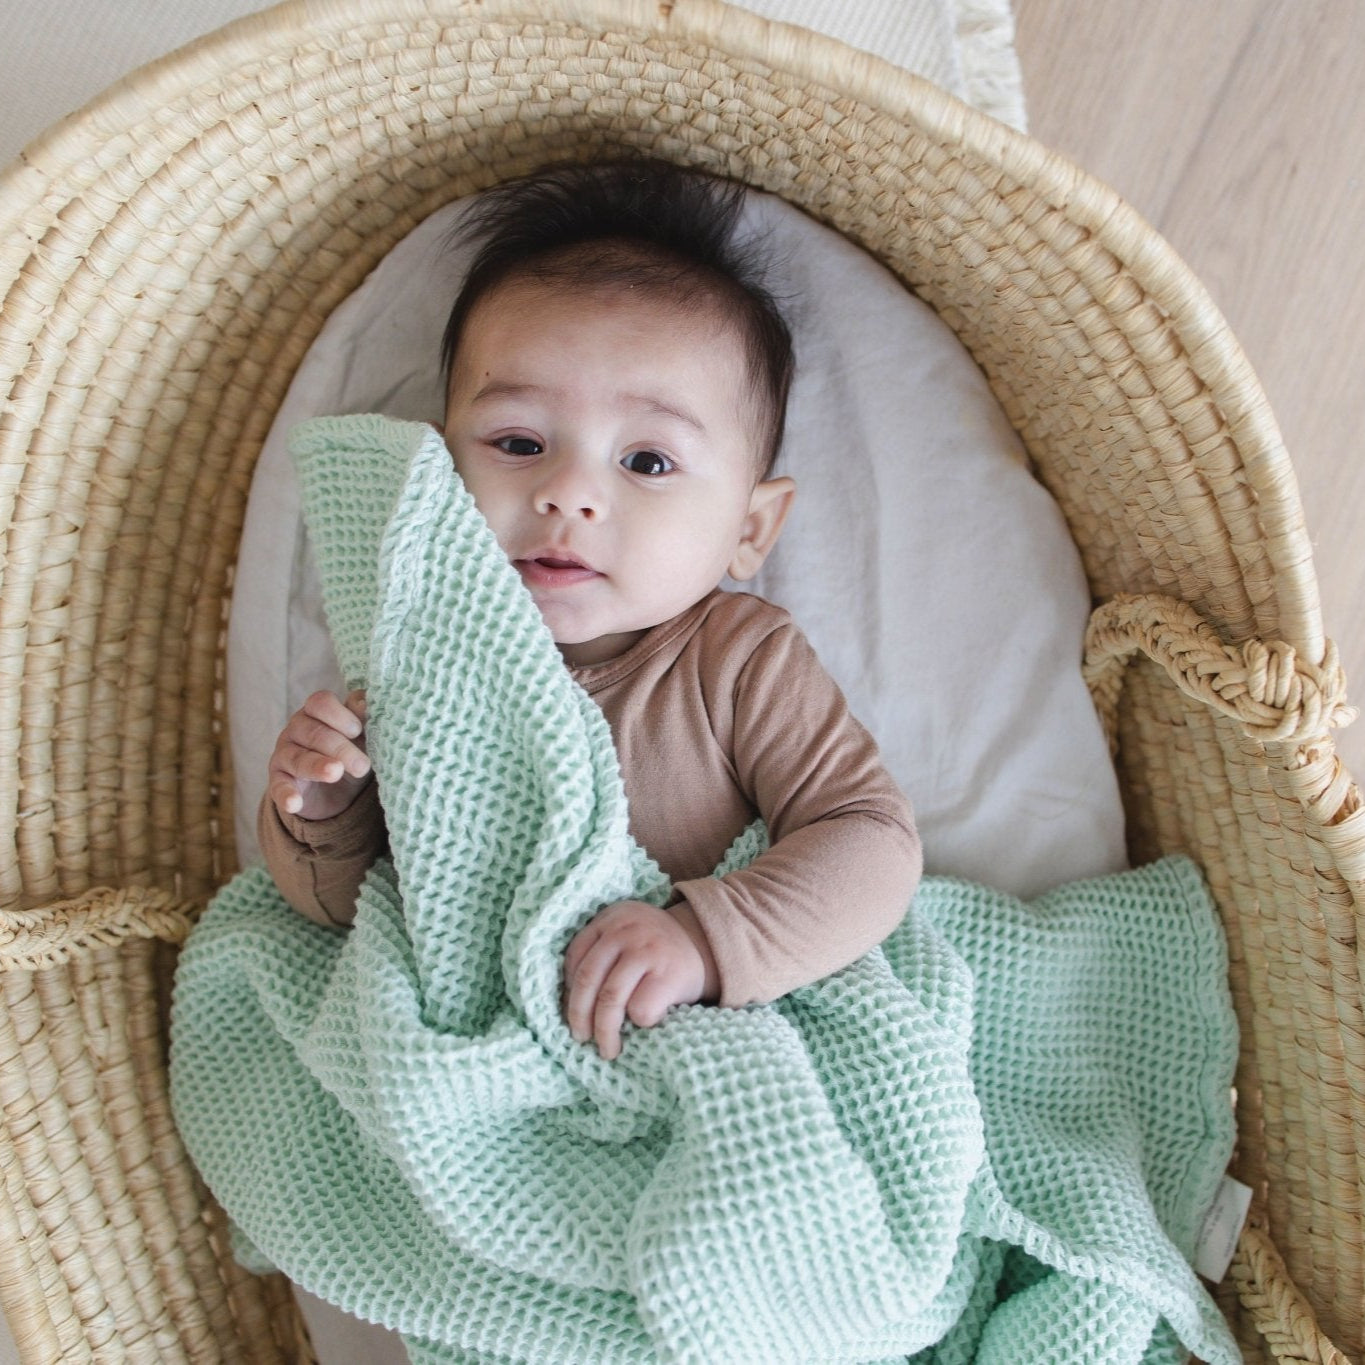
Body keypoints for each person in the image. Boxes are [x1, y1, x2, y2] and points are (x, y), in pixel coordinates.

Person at [259, 158, 921, 1060]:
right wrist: (322, 811)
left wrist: (703, 941)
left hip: (710, 1035)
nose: (568, 492)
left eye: (646, 461)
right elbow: (343, 910)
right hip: (492, 1045)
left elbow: (871, 844)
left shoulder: (737, 660)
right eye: (518, 442)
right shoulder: (421, 649)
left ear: (749, 528)